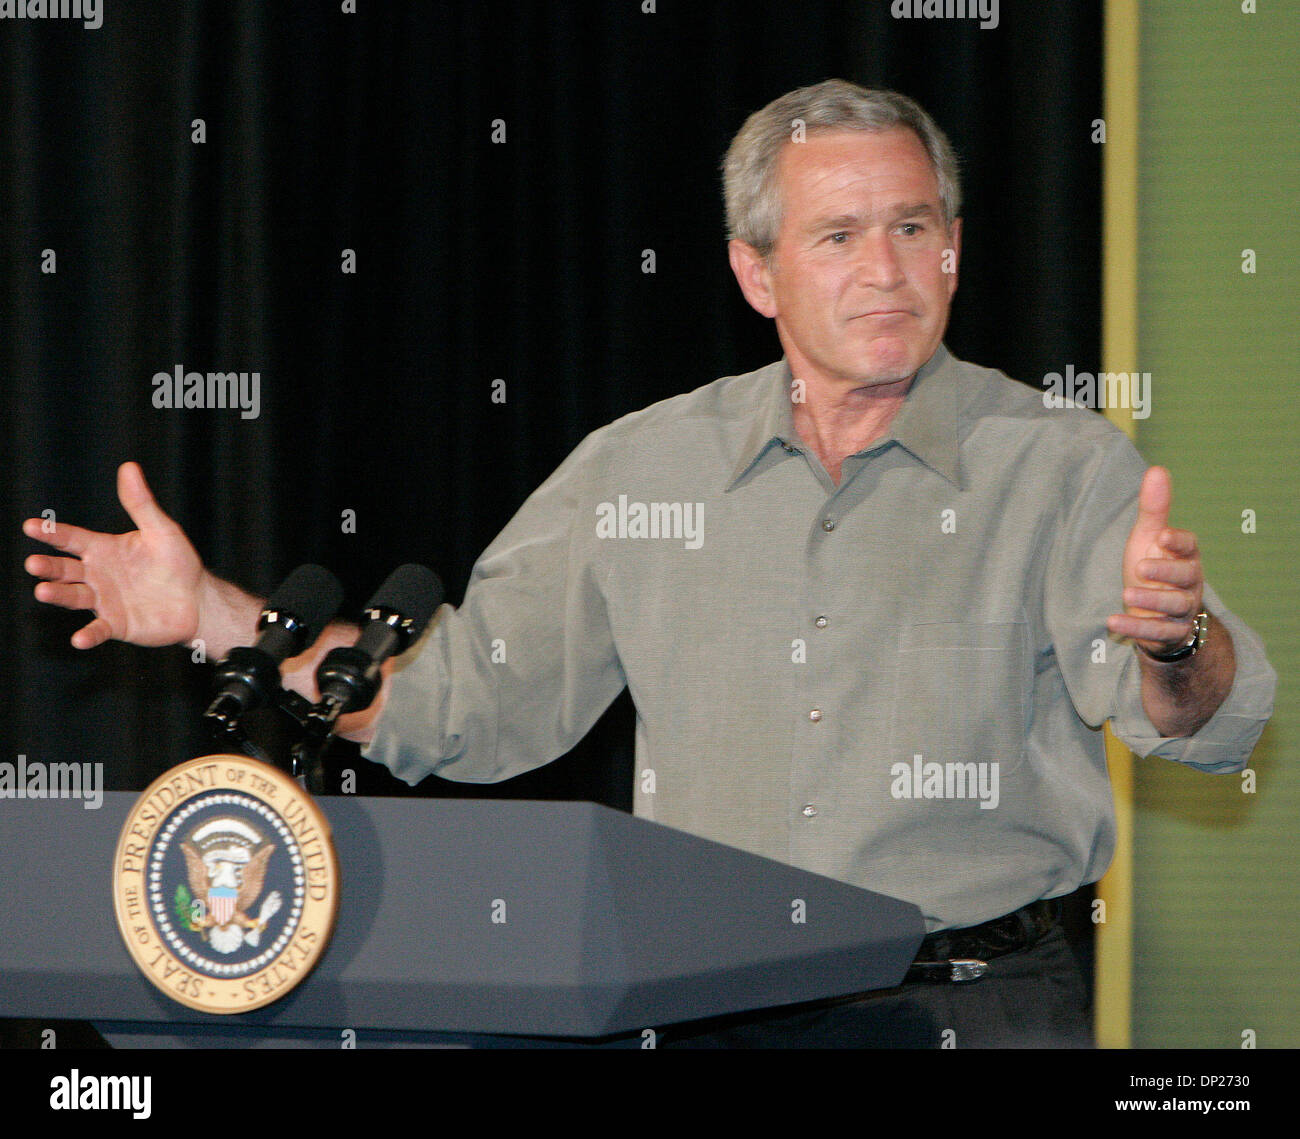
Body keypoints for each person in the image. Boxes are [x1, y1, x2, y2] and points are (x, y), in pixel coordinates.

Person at [22, 81, 1275, 1047]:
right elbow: (466, 703)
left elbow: (1203, 721)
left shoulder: (1058, 464)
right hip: (697, 1011)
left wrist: (1178, 641)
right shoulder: (642, 469)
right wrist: (211, 614)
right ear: (754, 271)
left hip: (970, 1006)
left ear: (953, 245)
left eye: (913, 226)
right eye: (837, 235)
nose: (886, 269)